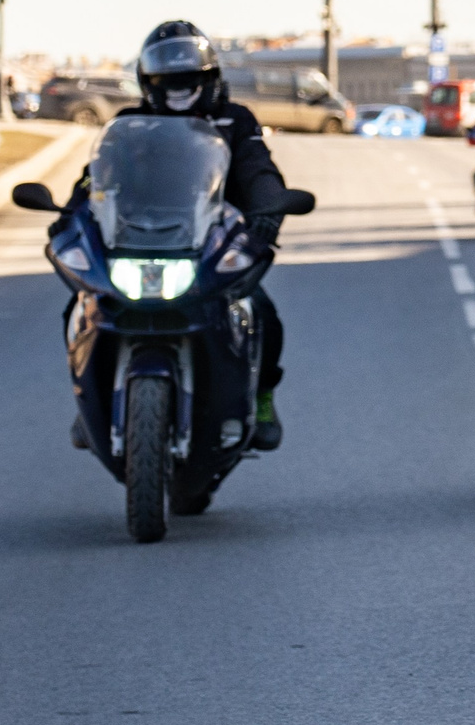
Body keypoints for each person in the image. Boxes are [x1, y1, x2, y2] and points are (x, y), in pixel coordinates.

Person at [60, 22, 297, 450]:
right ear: (147, 83)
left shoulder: (235, 119)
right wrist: (70, 215)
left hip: (212, 241)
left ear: (210, 78)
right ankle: (87, 403)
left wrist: (268, 209)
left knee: (261, 311)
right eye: (166, 80)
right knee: (80, 307)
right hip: (136, 240)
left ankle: (261, 397)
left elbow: (258, 169)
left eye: (189, 79)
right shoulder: (130, 124)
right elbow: (95, 180)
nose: (178, 88)